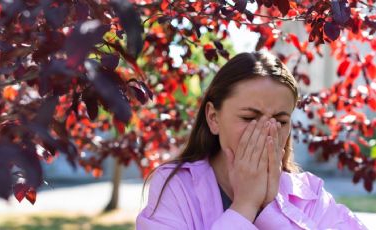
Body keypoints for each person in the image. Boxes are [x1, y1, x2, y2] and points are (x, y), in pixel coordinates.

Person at [136, 52, 367, 230]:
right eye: (249, 117)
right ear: (213, 118)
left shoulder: (308, 192)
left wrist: (270, 209)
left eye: (280, 120)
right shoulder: (175, 186)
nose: (267, 132)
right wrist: (245, 205)